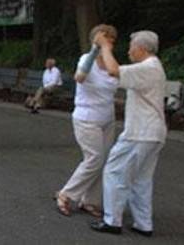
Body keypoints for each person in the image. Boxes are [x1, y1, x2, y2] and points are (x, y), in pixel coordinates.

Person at [89, 30, 167, 237]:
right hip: (153, 132)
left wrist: (104, 46)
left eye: (132, 46)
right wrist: (99, 49)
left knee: (115, 171)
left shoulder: (147, 68)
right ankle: (143, 224)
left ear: (141, 48)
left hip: (140, 132)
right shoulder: (152, 67)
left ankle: (112, 220)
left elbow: (113, 70)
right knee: (141, 179)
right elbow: (110, 68)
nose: (129, 50)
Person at [55, 24, 119, 217]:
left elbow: (117, 78)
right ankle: (66, 194)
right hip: (87, 117)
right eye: (106, 39)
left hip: (107, 118)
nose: (109, 44)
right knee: (94, 159)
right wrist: (94, 50)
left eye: (112, 41)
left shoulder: (111, 62)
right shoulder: (86, 59)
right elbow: (80, 77)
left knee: (104, 160)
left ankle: (90, 200)